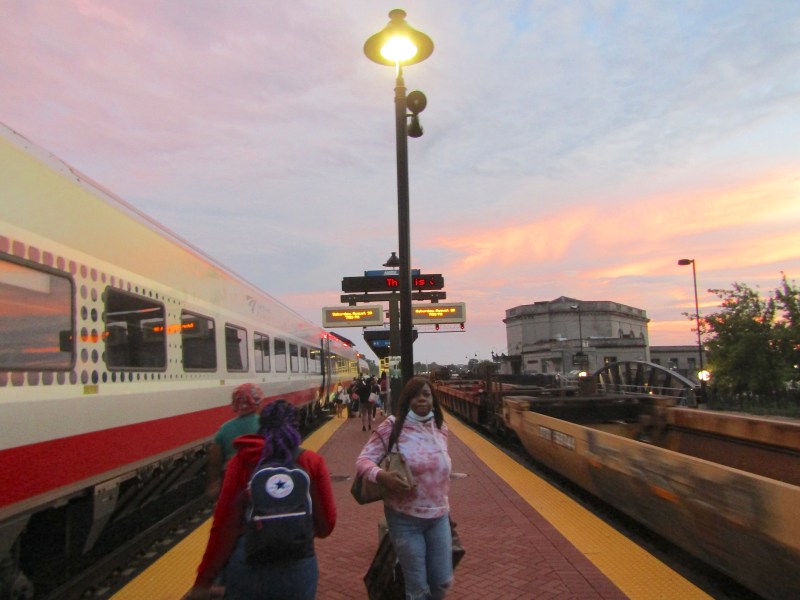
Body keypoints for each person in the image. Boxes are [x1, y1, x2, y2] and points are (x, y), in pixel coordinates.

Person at [185, 400, 337, 600]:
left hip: (247, 567)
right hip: (297, 571)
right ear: (296, 427)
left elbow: (224, 527)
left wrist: (203, 581)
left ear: (261, 426)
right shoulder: (311, 462)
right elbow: (326, 526)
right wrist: (291, 528)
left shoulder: (240, 461)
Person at [355, 376, 453, 600]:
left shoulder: (440, 428)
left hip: (439, 515)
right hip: (404, 518)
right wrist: (382, 476)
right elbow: (363, 461)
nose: (421, 400)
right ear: (407, 400)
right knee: (417, 586)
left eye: (426, 395)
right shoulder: (392, 426)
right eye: (415, 395)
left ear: (433, 400)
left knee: (442, 579)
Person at [206, 383, 263, 498]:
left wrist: (213, 483)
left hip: (232, 480)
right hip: (260, 478)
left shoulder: (224, 429)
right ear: (257, 402)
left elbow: (214, 462)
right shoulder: (266, 424)